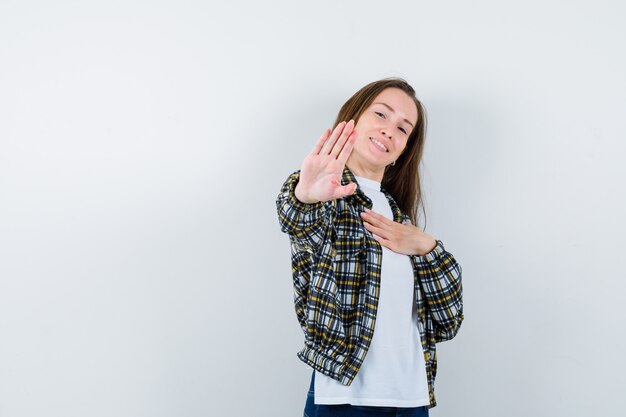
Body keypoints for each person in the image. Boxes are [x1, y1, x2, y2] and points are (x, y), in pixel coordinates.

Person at [276, 78, 464, 417]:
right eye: (381, 114)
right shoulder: (326, 197)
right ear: (353, 118)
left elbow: (447, 322)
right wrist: (304, 196)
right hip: (345, 400)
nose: (389, 130)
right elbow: (296, 222)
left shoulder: (399, 217)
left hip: (410, 399)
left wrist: (429, 248)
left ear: (404, 149)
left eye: (403, 128)